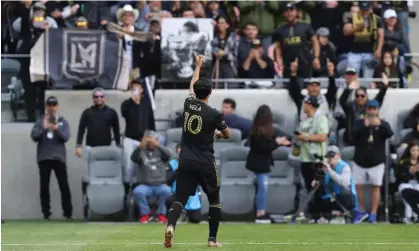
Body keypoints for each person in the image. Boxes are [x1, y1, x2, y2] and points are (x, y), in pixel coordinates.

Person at [164, 52, 231, 248]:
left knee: (180, 198)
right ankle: (212, 239)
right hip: (205, 161)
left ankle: (170, 227)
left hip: (185, 160)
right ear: (210, 92)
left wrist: (197, 66)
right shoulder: (214, 114)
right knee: (214, 200)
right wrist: (217, 135)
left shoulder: (188, 104)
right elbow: (227, 134)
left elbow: (192, 85)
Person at [246, 105, 291, 223]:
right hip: (259, 164)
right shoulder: (256, 131)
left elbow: (284, 138)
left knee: (261, 188)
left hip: (263, 163)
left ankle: (259, 210)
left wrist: (281, 141)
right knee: (262, 188)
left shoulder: (266, 130)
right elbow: (265, 148)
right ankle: (260, 212)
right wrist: (278, 142)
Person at [30, 96, 72, 220]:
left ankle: (68, 213)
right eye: (49, 105)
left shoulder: (63, 121)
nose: (52, 108)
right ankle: (46, 213)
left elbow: (66, 137)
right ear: (46, 106)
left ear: (57, 106)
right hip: (44, 157)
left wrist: (57, 129)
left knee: (64, 185)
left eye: (54, 105)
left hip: (59, 157)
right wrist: (44, 127)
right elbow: (34, 136)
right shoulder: (40, 121)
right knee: (44, 186)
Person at [352, 100, 393, 223]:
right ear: (366, 110)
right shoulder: (359, 123)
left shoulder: (383, 124)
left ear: (377, 110)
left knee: (376, 187)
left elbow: (390, 134)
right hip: (359, 160)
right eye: (369, 109)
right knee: (359, 186)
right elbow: (351, 136)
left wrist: (379, 124)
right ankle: (361, 211)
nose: (371, 111)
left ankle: (373, 213)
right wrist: (365, 126)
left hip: (377, 161)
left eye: (374, 109)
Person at [295, 95, 329, 222]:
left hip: (316, 159)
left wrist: (305, 137)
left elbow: (323, 137)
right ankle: (313, 215)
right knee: (310, 188)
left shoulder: (320, 119)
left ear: (309, 104)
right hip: (305, 159)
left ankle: (323, 215)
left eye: (305, 104)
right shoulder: (304, 122)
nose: (303, 106)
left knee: (319, 188)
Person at [131, 130, 172, 223]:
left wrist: (157, 145)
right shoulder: (141, 151)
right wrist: (140, 146)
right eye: (148, 140)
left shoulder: (161, 151)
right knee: (138, 191)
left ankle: (161, 214)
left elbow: (169, 155)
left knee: (167, 191)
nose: (150, 142)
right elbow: (133, 158)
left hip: (160, 184)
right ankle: (146, 214)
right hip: (145, 185)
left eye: (153, 140)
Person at [311, 146, 357, 224]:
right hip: (332, 196)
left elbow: (344, 183)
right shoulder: (326, 168)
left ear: (338, 155)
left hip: (346, 198)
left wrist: (329, 170)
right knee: (317, 193)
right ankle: (324, 216)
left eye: (332, 156)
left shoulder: (345, 167)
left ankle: (345, 215)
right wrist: (316, 180)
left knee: (345, 192)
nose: (330, 158)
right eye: (328, 156)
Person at [121, 79, 156, 181]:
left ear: (141, 90)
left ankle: (141, 185)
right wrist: (132, 101)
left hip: (144, 139)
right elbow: (124, 113)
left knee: (145, 164)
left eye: (137, 88)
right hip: (130, 139)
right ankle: (128, 187)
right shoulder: (126, 103)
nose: (135, 90)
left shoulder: (146, 104)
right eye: (133, 89)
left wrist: (152, 136)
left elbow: (151, 121)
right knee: (129, 165)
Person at [75, 88, 121, 158]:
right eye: (96, 97)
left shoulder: (112, 112)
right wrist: (78, 145)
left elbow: (116, 130)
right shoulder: (87, 112)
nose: (98, 98)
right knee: (92, 168)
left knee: (105, 168)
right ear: (93, 99)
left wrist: (118, 145)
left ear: (104, 98)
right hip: (91, 148)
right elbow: (81, 130)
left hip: (106, 148)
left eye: (101, 96)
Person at [166, 144, 202, 224]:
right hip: (176, 193)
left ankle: (187, 214)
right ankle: (179, 213)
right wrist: (178, 170)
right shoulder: (172, 164)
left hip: (191, 195)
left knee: (195, 219)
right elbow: (168, 181)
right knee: (168, 200)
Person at [396, 142, 419, 224]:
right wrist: (410, 171)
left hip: (417, 184)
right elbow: (401, 178)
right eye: (413, 150)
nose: (415, 152)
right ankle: (408, 217)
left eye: (417, 150)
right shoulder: (403, 162)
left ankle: (416, 216)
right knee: (407, 192)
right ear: (409, 151)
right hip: (405, 184)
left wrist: (417, 172)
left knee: (417, 189)